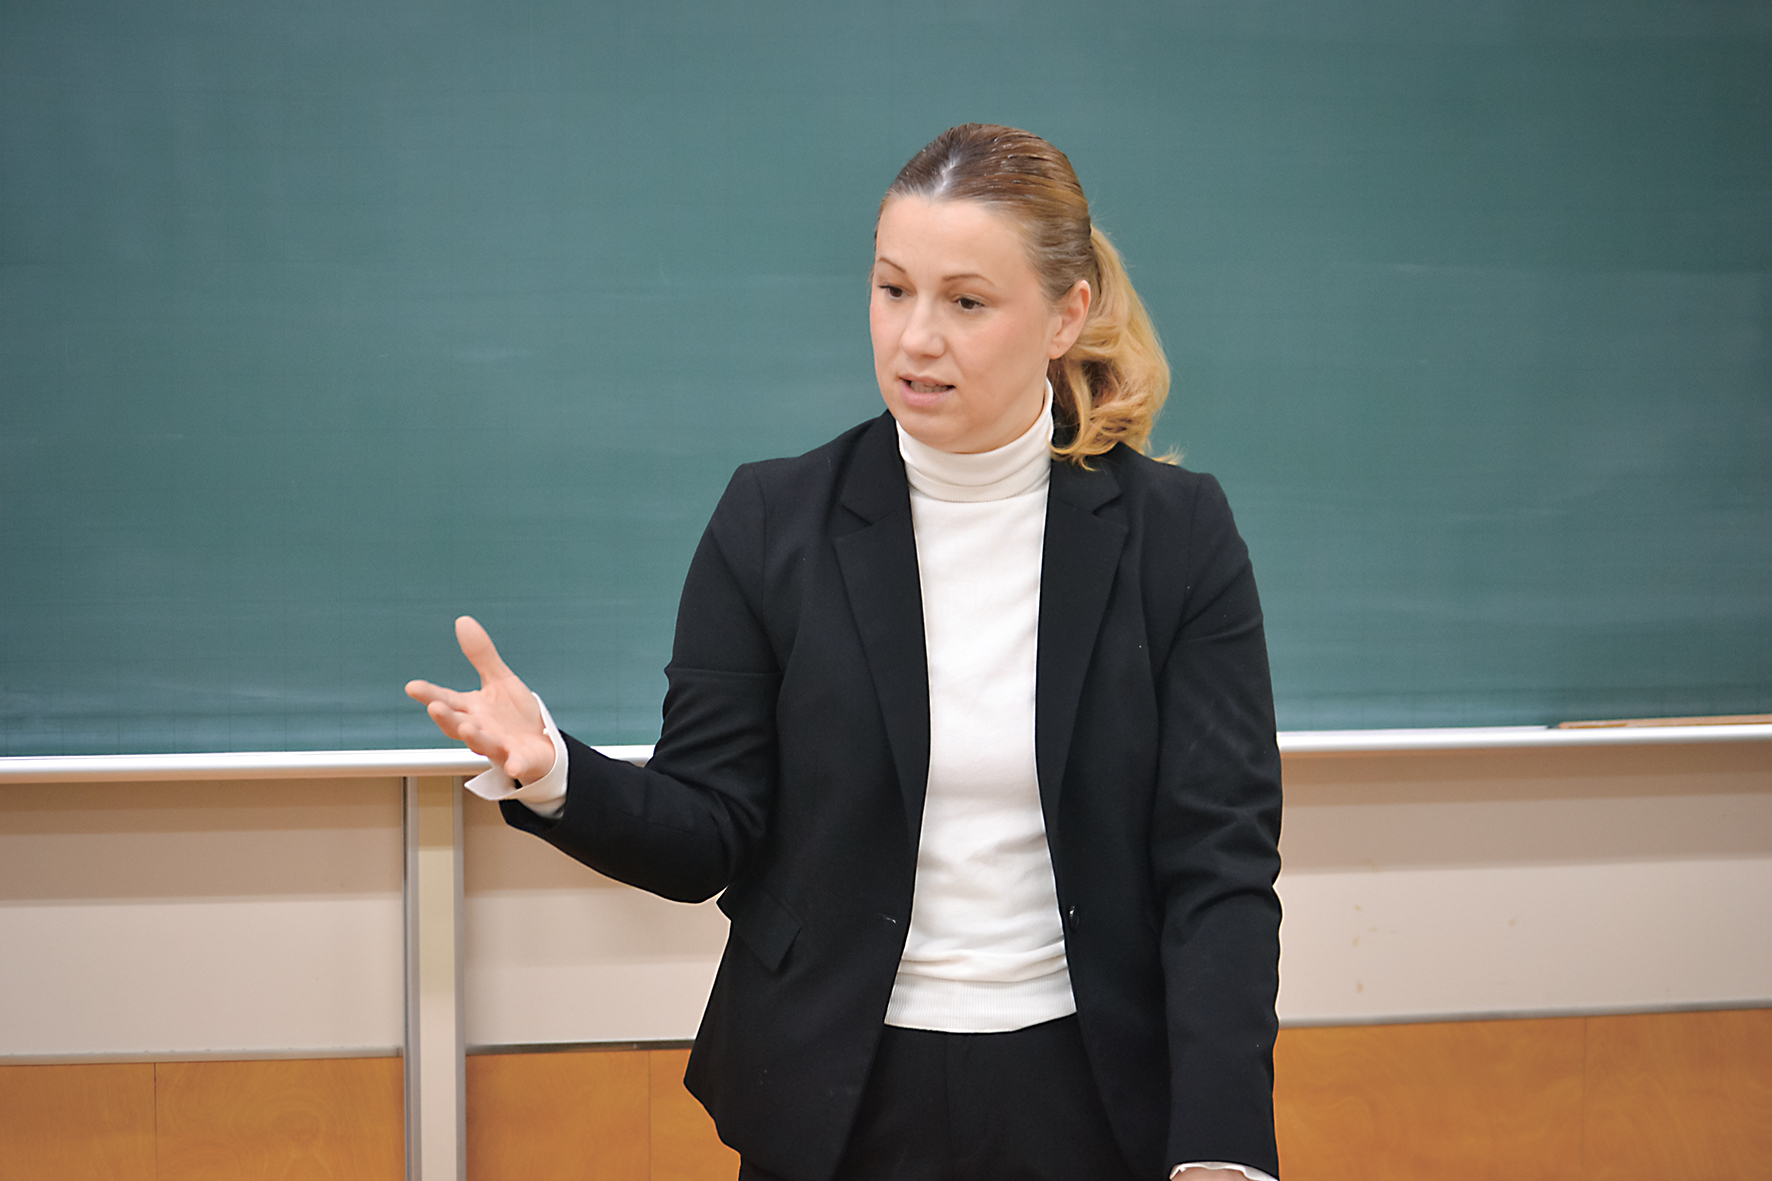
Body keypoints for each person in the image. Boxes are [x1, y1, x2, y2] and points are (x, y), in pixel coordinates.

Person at [407, 124, 1283, 1181]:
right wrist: (554, 770)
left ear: (1065, 315)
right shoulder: (771, 522)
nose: (915, 339)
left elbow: (1218, 865)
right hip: (835, 1093)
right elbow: (708, 832)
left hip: (1091, 1090)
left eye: (966, 302)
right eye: (891, 290)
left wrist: (1223, 1149)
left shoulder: (1176, 537)